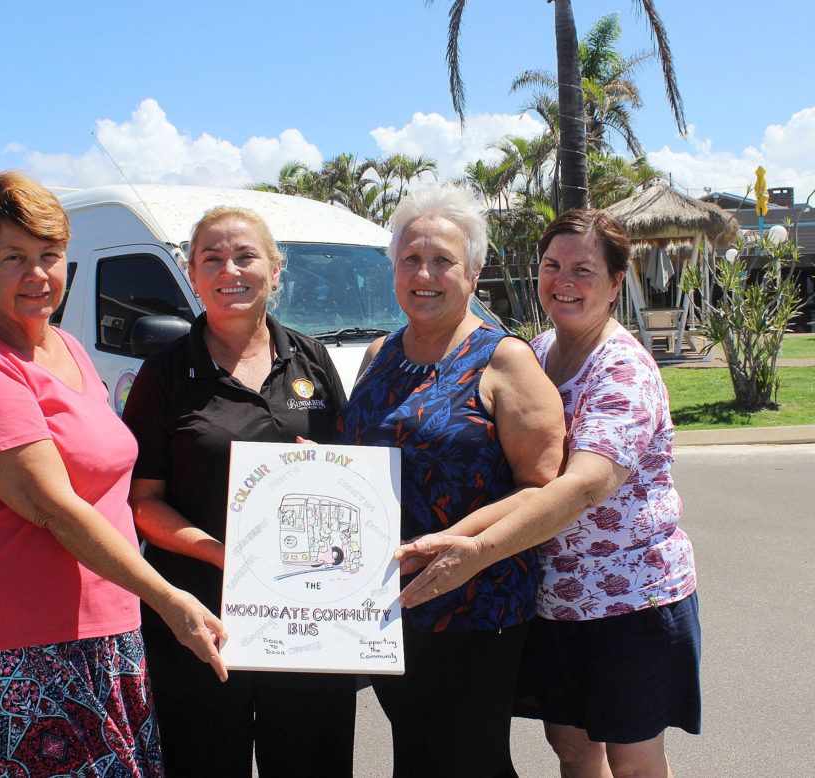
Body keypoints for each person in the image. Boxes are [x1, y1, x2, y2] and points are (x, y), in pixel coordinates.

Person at [0, 171, 227, 778]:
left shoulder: (65, 346)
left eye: (49, 255)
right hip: (14, 641)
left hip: (105, 622)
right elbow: (55, 507)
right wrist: (170, 600)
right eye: (14, 258)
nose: (37, 275)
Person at [397, 209, 700, 778]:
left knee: (633, 762)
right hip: (555, 596)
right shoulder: (535, 353)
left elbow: (585, 484)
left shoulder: (623, 369)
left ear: (615, 284)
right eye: (552, 265)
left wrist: (480, 550)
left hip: (633, 598)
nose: (564, 281)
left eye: (583, 270)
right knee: (573, 751)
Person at [334, 185, 567, 778]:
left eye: (443, 260)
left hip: (473, 601)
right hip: (384, 600)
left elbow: (541, 487)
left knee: (469, 759)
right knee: (415, 749)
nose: (425, 274)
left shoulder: (504, 360)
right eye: (411, 259)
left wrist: (458, 544)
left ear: (475, 272)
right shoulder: (380, 353)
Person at [121, 205, 357, 777]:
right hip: (198, 617)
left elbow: (349, 480)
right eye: (212, 259)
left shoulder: (313, 359)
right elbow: (143, 502)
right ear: (193, 275)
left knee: (311, 763)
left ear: (276, 270)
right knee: (204, 763)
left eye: (247, 255)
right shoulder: (164, 373)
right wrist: (224, 556)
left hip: (305, 617)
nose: (231, 269)